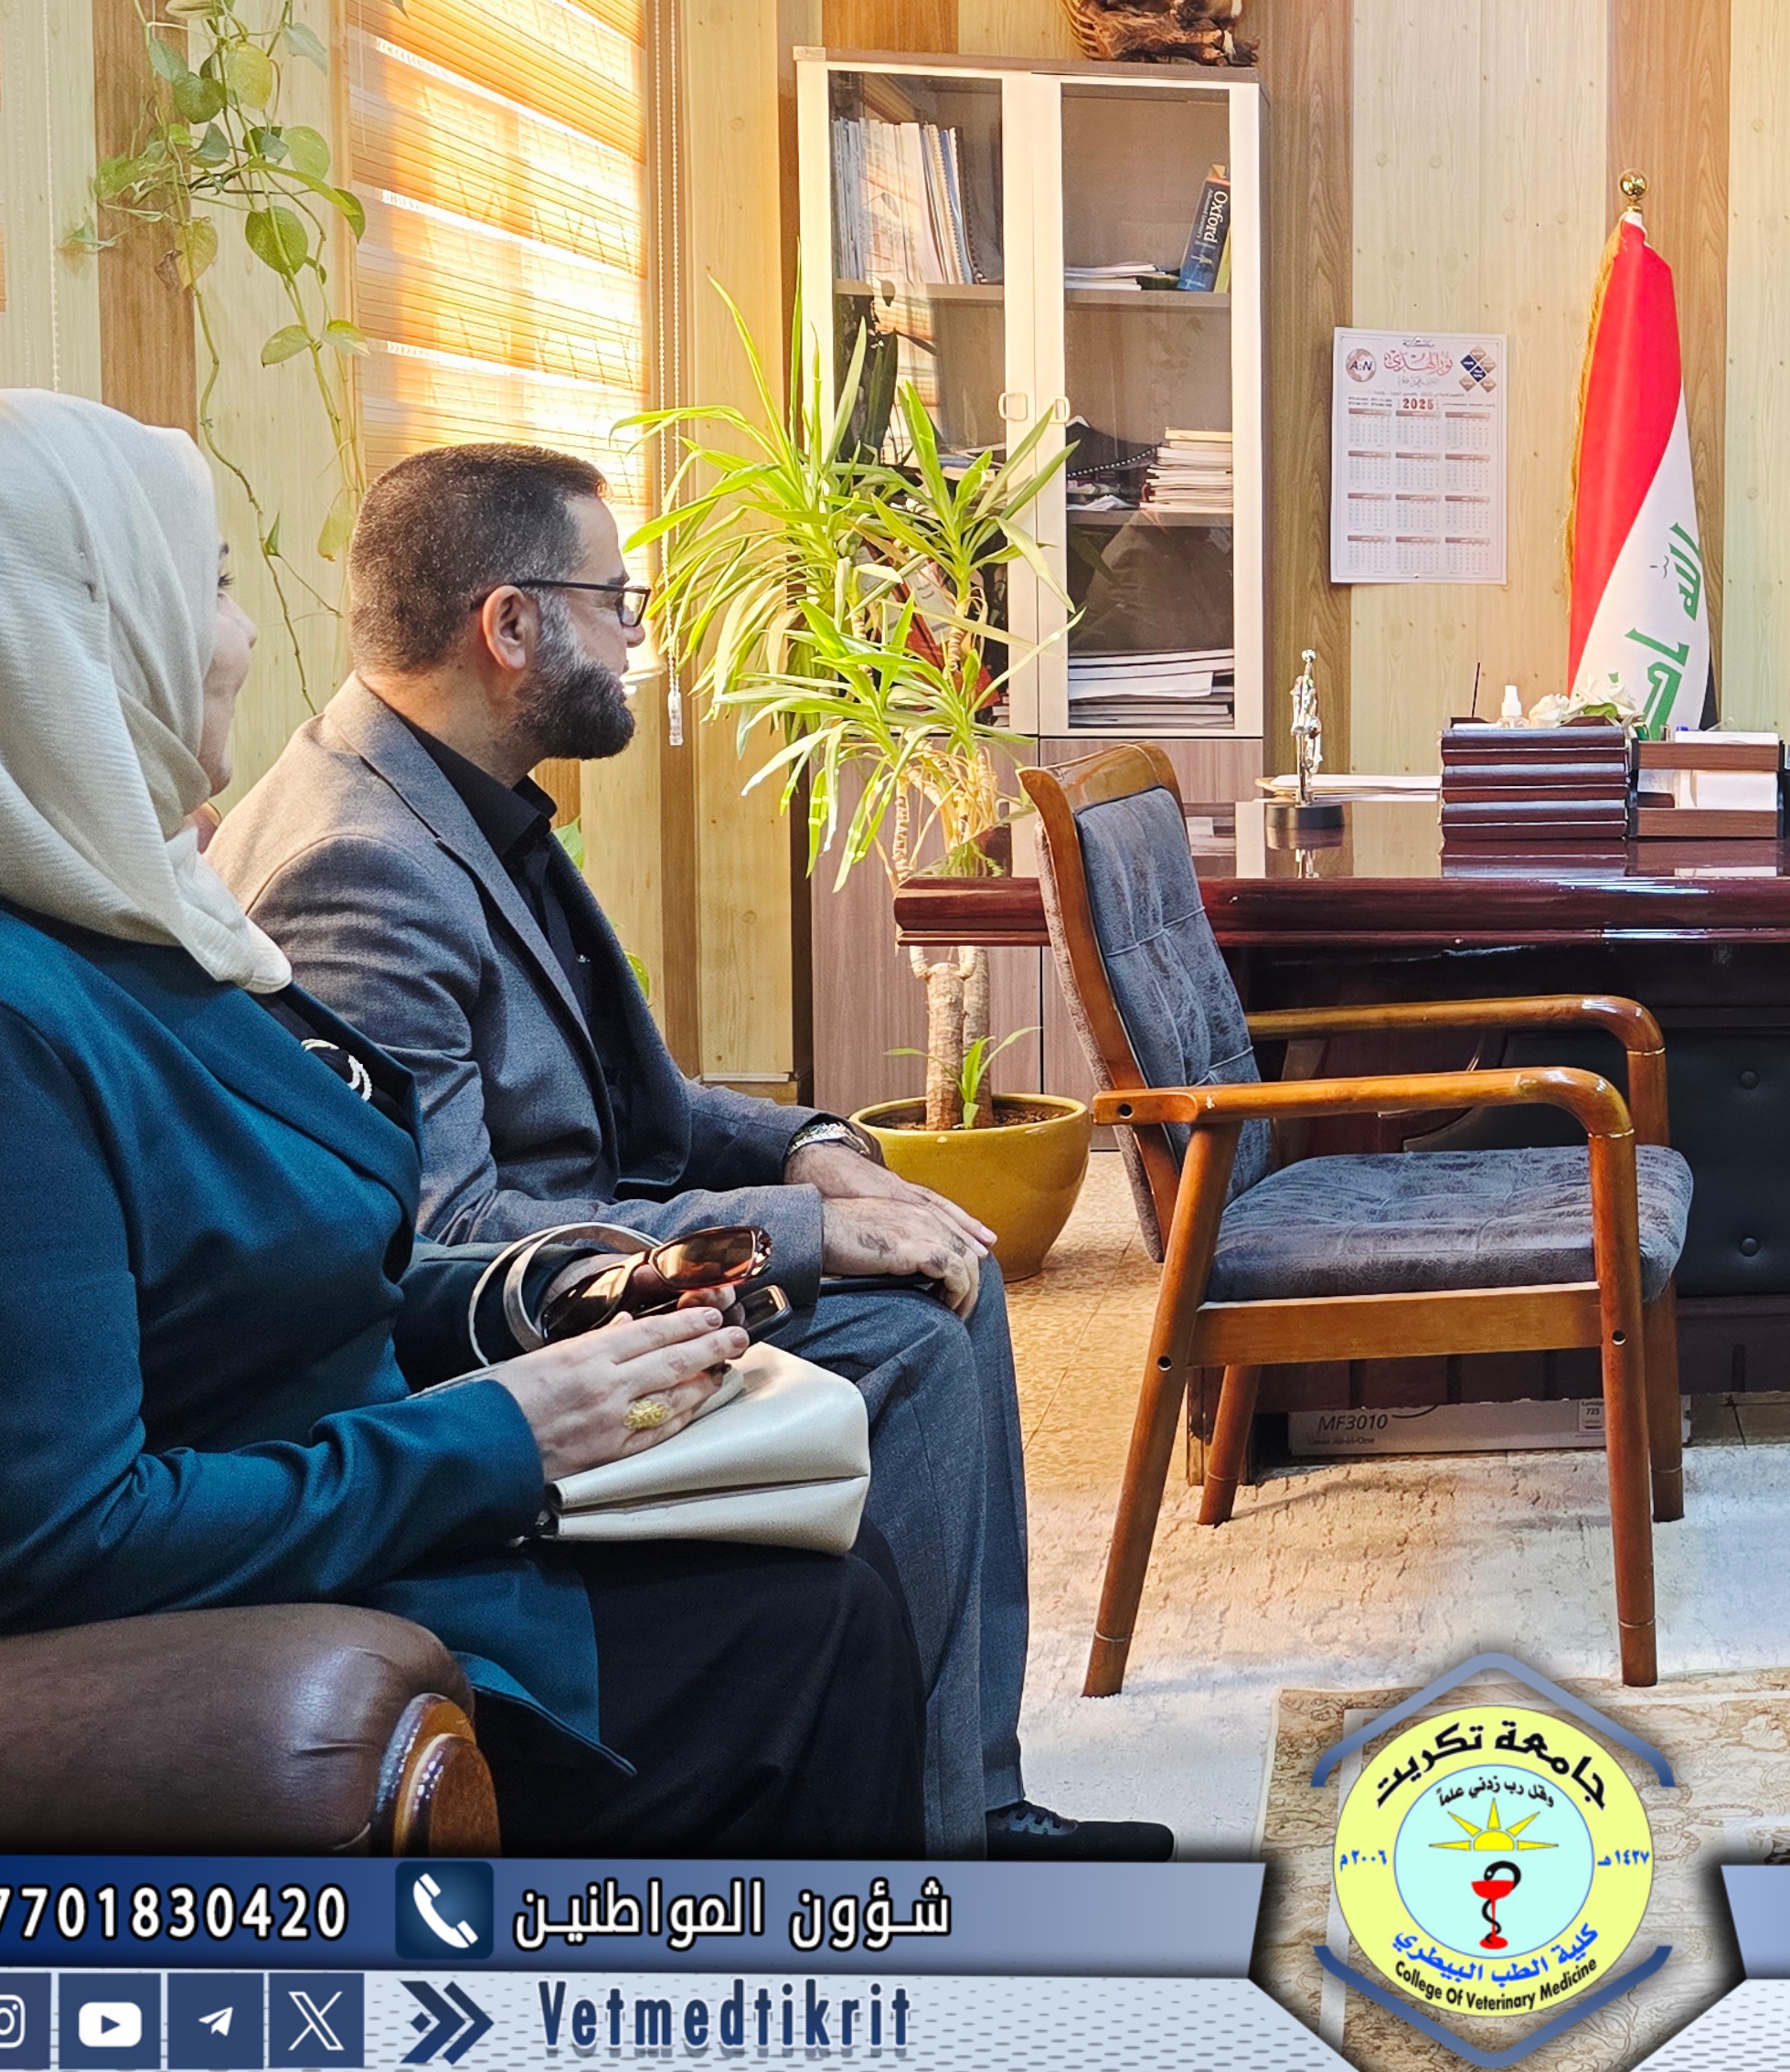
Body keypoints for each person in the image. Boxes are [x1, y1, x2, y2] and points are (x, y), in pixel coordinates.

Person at [0, 389, 926, 1851]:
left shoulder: (89, 913)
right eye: (205, 588)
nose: (244, 639)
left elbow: (256, 1274)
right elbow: (45, 1545)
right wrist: (508, 1430)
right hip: (157, 1642)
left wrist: (559, 1293)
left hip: (308, 1503)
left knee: (827, 1577)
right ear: (43, 637)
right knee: (806, 1630)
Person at [210, 444, 1161, 1862]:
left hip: (590, 1243)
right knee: (909, 1332)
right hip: (507, 1337)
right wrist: (799, 1237)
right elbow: (440, 1243)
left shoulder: (452, 794)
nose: (635, 640)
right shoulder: (362, 864)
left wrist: (817, 1149)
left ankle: (965, 1802)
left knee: (934, 1267)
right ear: (509, 624)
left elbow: (626, 1098)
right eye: (616, 602)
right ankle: (929, 1840)